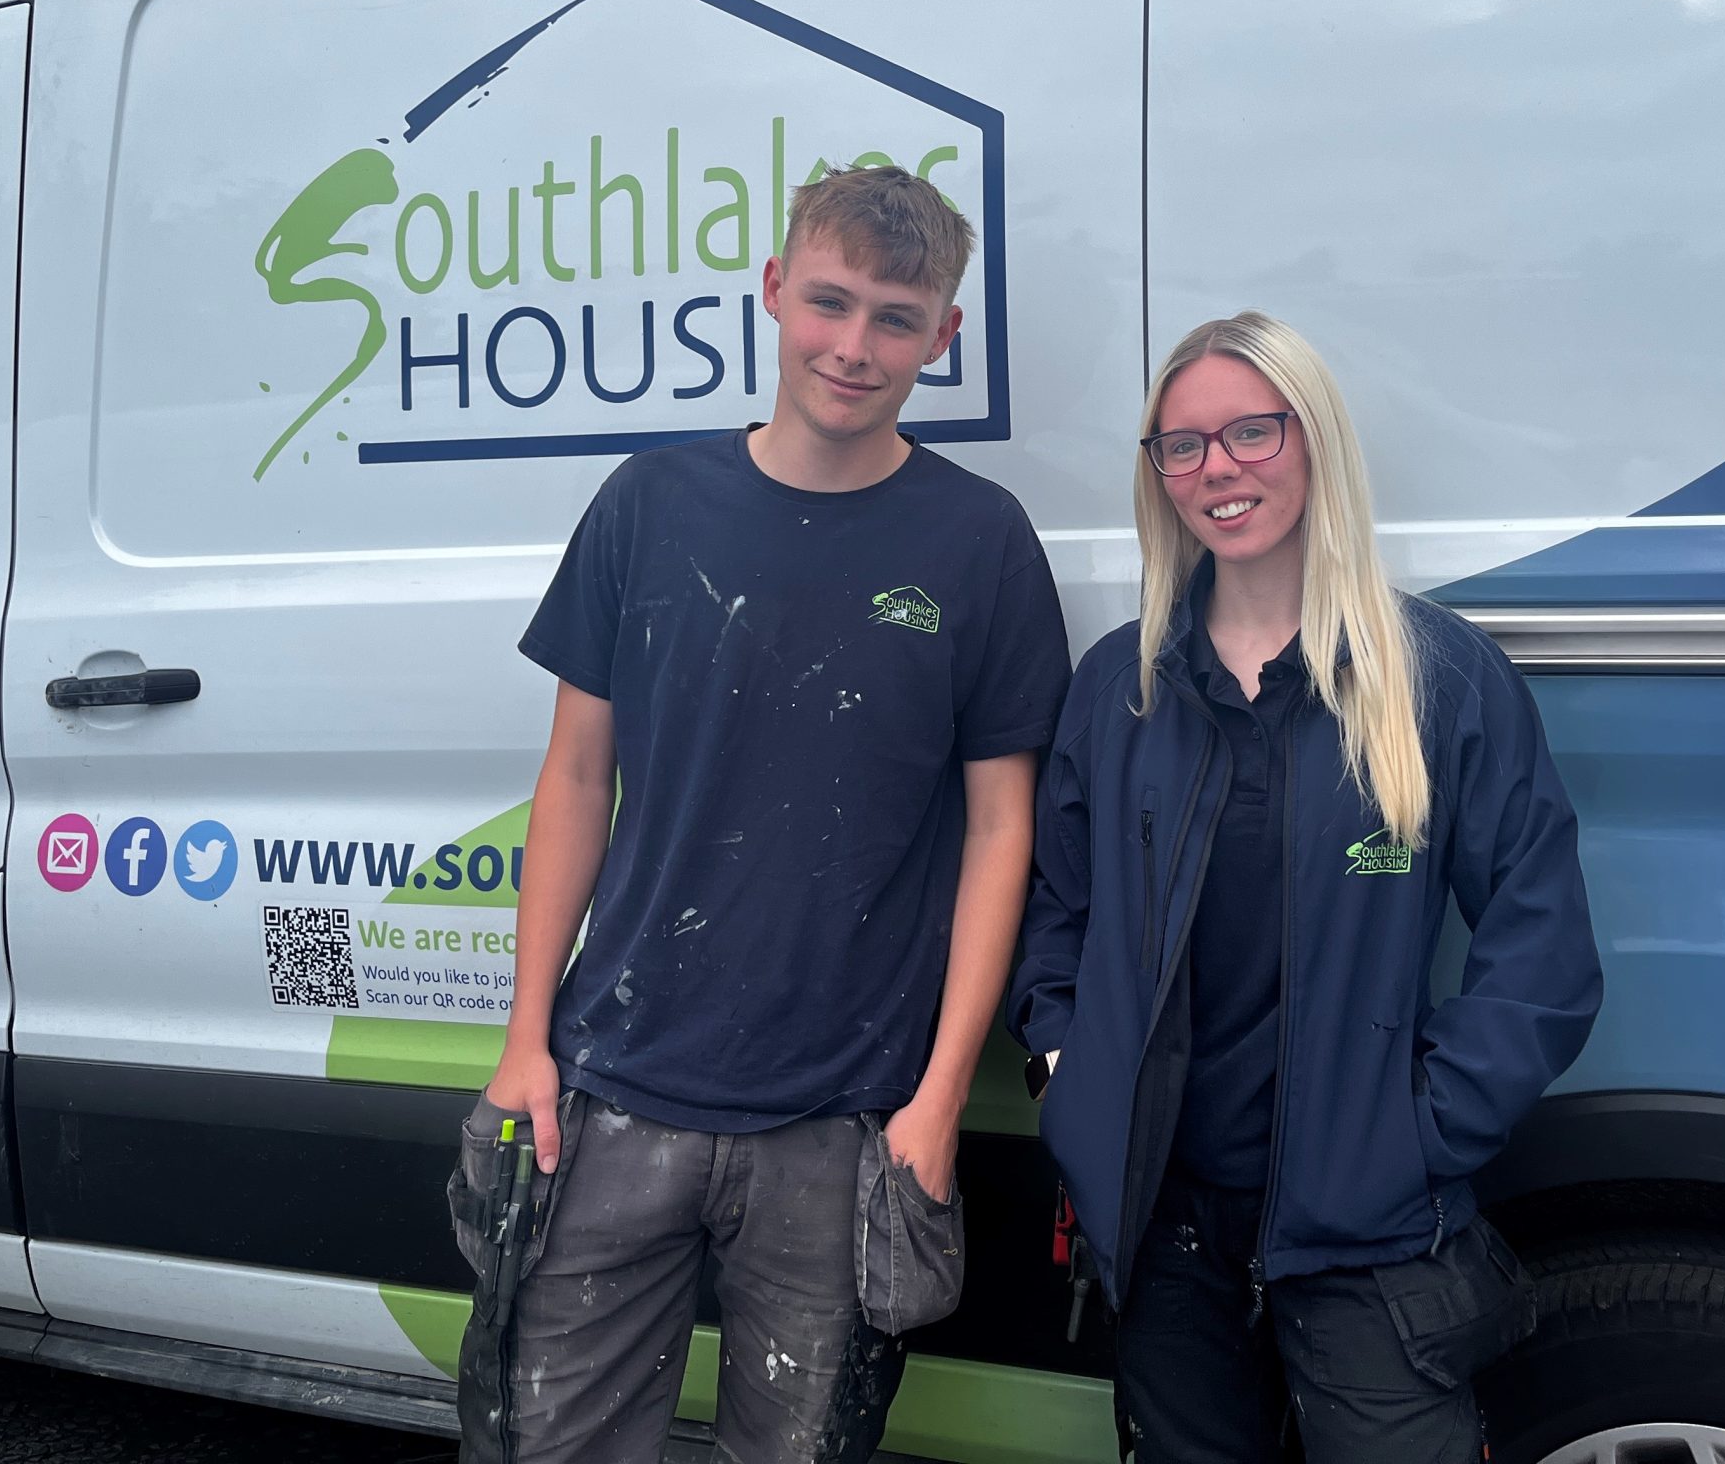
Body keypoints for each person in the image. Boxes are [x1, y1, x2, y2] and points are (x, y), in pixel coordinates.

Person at [474, 166, 1071, 1462]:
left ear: (942, 335)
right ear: (773, 291)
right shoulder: (648, 505)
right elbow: (574, 778)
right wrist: (526, 1040)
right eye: (829, 302)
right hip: (614, 1083)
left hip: (845, 1120)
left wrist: (935, 1101)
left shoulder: (980, 542)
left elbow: (1001, 834)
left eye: (895, 319)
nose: (853, 347)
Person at [1010, 311, 1602, 1464]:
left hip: (1366, 1239)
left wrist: (1417, 1135)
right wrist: (1065, 1077)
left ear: (1313, 438)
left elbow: (1542, 952)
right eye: (1181, 445)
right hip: (1164, 1235)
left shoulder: (1438, 678)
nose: (1216, 468)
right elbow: (1055, 919)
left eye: (1251, 431)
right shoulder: (1119, 689)